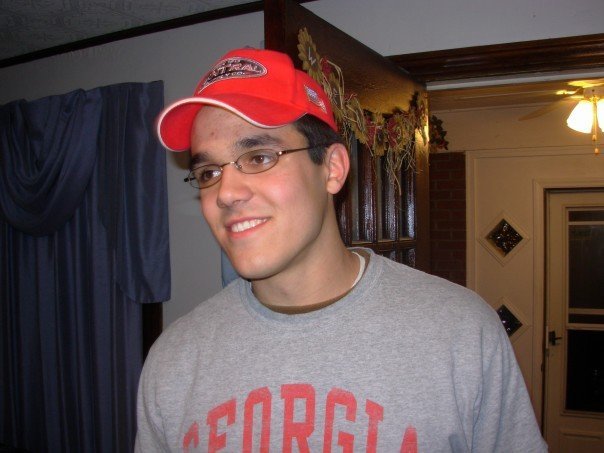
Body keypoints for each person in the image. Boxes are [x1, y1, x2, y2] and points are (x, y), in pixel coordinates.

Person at [135, 47, 547, 452]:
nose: (225, 193)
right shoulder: (175, 360)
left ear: (332, 169)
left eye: (258, 157)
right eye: (209, 171)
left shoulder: (459, 331)